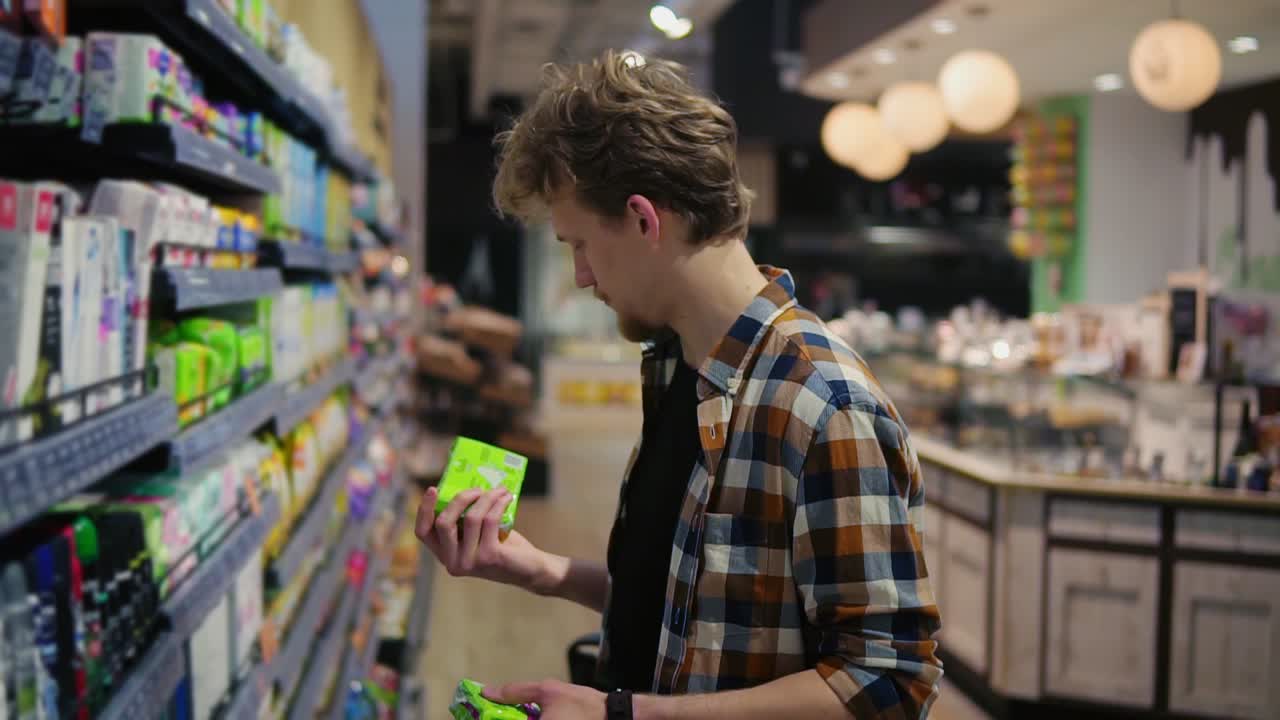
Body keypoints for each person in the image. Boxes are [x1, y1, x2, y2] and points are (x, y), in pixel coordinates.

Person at [414, 50, 942, 720]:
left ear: (642, 220)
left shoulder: (822, 403)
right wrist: (542, 572)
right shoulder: (677, 366)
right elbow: (698, 602)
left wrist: (624, 715)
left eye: (578, 244)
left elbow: (889, 684)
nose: (580, 275)